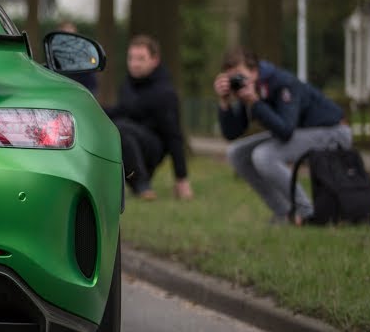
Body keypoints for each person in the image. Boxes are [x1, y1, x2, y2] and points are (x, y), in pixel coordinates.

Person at [214, 47, 350, 225]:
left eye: (239, 76)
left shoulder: (282, 82)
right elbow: (231, 133)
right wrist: (224, 102)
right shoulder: (248, 87)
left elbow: (285, 131)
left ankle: (306, 213)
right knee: (236, 153)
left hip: (332, 131)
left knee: (264, 155)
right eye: (232, 78)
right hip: (301, 133)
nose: (236, 82)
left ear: (254, 71)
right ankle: (284, 213)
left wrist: (254, 101)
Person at [105, 35, 192, 200]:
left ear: (154, 60)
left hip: (151, 149)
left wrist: (181, 178)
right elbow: (119, 111)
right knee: (109, 127)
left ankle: (143, 185)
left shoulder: (164, 93)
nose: (134, 63)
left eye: (141, 59)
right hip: (128, 144)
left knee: (120, 128)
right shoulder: (127, 85)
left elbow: (174, 136)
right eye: (131, 58)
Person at [56, 22, 98, 93]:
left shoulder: (84, 49)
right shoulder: (54, 51)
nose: (68, 39)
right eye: (64, 36)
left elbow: (93, 63)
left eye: (71, 36)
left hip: (84, 87)